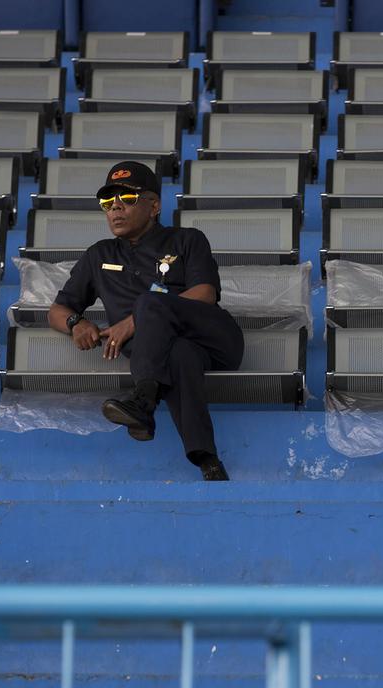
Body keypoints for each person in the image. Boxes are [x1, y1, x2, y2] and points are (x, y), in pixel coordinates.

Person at [47, 161, 244, 481]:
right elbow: (57, 309)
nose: (116, 209)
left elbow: (205, 293)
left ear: (154, 206)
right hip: (171, 356)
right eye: (108, 203)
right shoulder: (99, 254)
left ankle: (143, 400)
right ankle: (206, 459)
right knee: (179, 355)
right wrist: (77, 324)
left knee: (150, 303)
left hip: (214, 339)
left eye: (126, 199)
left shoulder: (187, 239)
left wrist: (136, 320)